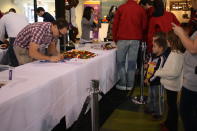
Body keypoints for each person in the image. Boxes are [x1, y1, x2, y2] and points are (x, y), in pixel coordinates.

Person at [171, 1, 197, 130]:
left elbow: (193, 48)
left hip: (193, 82)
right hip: (191, 79)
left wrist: (181, 33)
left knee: (187, 112)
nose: (192, 4)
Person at [113, 0, 147, 90]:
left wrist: (115, 38)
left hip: (122, 38)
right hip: (136, 39)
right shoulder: (140, 9)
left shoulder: (121, 8)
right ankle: (130, 84)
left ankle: (123, 83)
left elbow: (115, 24)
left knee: (120, 62)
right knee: (132, 63)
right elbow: (144, 26)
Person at [155, 30, 185, 131]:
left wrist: (158, 72)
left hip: (172, 85)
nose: (166, 41)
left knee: (172, 107)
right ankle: (168, 123)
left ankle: (172, 127)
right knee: (170, 106)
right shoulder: (174, 52)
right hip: (170, 84)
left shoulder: (177, 54)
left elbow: (173, 73)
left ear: (172, 41)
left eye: (168, 39)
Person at [144, 32, 167, 119]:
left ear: (160, 48)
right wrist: (146, 77)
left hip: (157, 82)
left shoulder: (161, 58)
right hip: (151, 81)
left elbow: (157, 71)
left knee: (158, 97)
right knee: (151, 96)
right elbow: (149, 67)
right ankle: (151, 108)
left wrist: (149, 79)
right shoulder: (152, 56)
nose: (152, 48)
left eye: (154, 46)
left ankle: (158, 112)